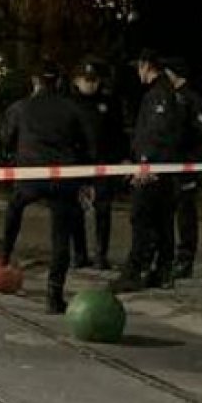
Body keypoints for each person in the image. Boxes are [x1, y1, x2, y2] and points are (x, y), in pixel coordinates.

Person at [0, 62, 96, 313]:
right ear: (59, 82)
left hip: (30, 175)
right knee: (61, 236)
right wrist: (85, 179)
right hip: (63, 177)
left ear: (35, 81)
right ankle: (54, 293)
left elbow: (7, 138)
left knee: (15, 206)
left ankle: (4, 252)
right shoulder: (71, 108)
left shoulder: (20, 107)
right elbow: (86, 144)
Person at [111, 51, 202, 293]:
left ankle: (134, 270)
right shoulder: (169, 93)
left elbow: (156, 134)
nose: (137, 73)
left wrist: (144, 162)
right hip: (164, 169)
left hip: (153, 170)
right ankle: (162, 270)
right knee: (162, 221)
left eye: (138, 68)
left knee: (142, 218)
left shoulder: (158, 95)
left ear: (145, 66)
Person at [69, 60, 126, 269]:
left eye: (94, 80)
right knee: (76, 209)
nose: (91, 85)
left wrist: (121, 157)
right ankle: (80, 253)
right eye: (87, 80)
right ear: (77, 81)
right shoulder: (69, 104)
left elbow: (117, 133)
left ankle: (101, 253)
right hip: (77, 164)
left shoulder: (108, 102)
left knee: (103, 209)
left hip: (103, 162)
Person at [164, 59, 202, 279]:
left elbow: (200, 135)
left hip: (185, 166)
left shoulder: (191, 99)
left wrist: (194, 165)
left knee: (185, 214)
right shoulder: (168, 98)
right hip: (169, 165)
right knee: (168, 212)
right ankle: (169, 256)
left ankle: (185, 258)